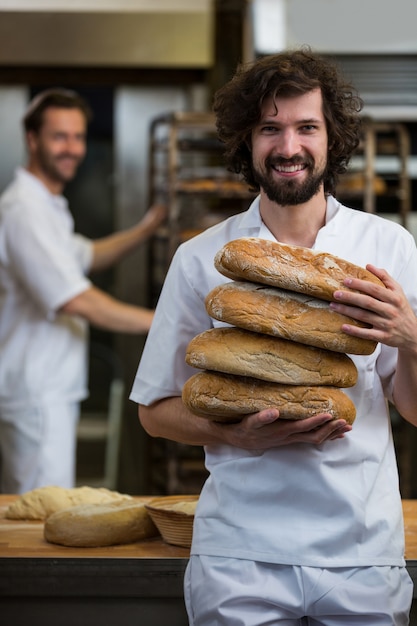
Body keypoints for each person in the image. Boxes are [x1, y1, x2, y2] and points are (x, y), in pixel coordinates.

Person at [130, 48, 417, 625]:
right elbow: (155, 410)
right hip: (241, 551)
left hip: (361, 550)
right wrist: (234, 436)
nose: (289, 147)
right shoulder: (201, 258)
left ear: (332, 138)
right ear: (247, 141)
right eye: (270, 129)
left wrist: (412, 339)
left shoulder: (388, 250)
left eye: (306, 127)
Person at [0, 88, 166, 495]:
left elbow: (87, 254)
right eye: (60, 136)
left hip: (49, 386)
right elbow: (77, 299)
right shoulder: (24, 210)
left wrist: (145, 229)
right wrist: (165, 322)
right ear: (32, 139)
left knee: (44, 506)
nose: (72, 148)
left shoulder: (48, 205)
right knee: (38, 515)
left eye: (77, 137)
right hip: (36, 390)